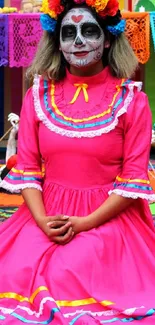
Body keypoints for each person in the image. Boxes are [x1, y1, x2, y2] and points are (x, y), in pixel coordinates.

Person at [0, 0, 155, 323]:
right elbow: (27, 168)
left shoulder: (132, 101)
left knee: (69, 270)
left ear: (109, 38)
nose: (79, 41)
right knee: (14, 270)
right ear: (57, 42)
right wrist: (43, 222)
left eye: (89, 31)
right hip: (44, 213)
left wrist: (84, 224)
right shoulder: (38, 95)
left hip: (107, 218)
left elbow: (133, 180)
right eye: (68, 33)